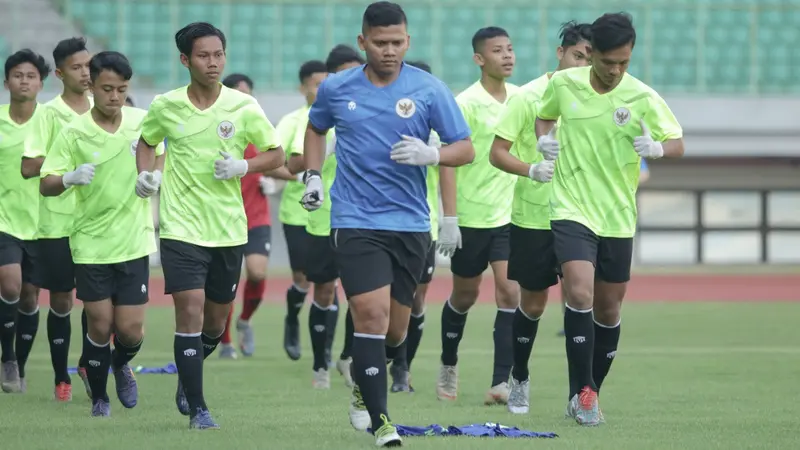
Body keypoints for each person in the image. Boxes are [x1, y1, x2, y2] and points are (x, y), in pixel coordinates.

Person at [300, 2, 474, 446]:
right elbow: (315, 129)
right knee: (371, 316)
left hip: (411, 224)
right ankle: (383, 423)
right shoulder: (338, 88)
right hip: (355, 220)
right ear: (363, 43)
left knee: (396, 330)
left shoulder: (430, 89)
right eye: (380, 43)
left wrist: (432, 154)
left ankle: (364, 386)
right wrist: (314, 176)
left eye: (397, 42)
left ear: (408, 41)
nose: (390, 50)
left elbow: (465, 148)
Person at [534, 12, 684, 426]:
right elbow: (544, 115)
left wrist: (656, 149)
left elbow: (678, 143)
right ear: (592, 54)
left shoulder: (642, 96)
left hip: (617, 215)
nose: (616, 70)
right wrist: (544, 140)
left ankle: (587, 391)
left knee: (609, 309)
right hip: (570, 206)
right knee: (578, 293)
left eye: (624, 62)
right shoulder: (564, 85)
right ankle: (584, 394)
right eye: (607, 62)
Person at [134, 21, 285, 429]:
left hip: (229, 229)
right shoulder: (166, 105)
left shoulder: (243, 106)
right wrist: (144, 175)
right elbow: (148, 141)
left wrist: (244, 164)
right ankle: (199, 408)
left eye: (218, 54)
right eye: (204, 55)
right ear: (185, 60)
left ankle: (190, 371)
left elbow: (277, 153)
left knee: (216, 324)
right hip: (181, 228)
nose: (213, 62)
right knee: (190, 311)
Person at [39, 51, 161, 417]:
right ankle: (99, 399)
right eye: (107, 88)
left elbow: (159, 155)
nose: (114, 97)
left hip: (134, 239)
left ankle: (121, 363)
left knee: (130, 331)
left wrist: (152, 178)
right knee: (100, 324)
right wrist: (69, 178)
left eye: (122, 89)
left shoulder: (142, 122)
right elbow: (46, 183)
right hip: (91, 243)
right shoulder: (73, 131)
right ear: (92, 85)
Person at [488, 21, 591, 414]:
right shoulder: (528, 96)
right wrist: (530, 169)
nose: (582, 65)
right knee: (532, 305)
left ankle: (581, 394)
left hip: (581, 215)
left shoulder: (595, 98)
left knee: (582, 299)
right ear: (560, 53)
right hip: (533, 217)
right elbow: (498, 152)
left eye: (589, 59)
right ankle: (520, 376)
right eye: (577, 56)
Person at [437, 26, 519, 405]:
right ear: (479, 59)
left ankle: (502, 381)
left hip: (509, 215)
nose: (507, 56)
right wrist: (449, 218)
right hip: (470, 217)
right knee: (465, 296)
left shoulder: (522, 99)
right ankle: (448, 364)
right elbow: (449, 163)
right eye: (498, 50)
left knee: (509, 290)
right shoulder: (464, 102)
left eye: (510, 49)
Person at [20, 36, 93, 402]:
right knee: (63, 300)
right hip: (58, 222)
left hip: (99, 222)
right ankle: (60, 375)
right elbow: (29, 165)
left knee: (97, 300)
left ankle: (88, 363)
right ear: (61, 73)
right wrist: (64, 166)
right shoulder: (47, 113)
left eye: (88, 65)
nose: (86, 72)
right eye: (77, 67)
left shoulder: (106, 108)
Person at [285, 47, 360, 389]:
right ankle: (320, 366)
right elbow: (294, 163)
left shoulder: (372, 108)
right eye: (344, 73)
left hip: (361, 217)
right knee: (325, 291)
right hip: (323, 218)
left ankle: (348, 357)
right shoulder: (313, 117)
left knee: (362, 293)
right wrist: (316, 162)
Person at [217, 73, 293, 359]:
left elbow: (282, 168)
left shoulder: (259, 133)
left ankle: (245, 320)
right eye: (238, 94)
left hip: (256, 218)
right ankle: (225, 342)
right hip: (223, 219)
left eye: (248, 95)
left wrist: (276, 184)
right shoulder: (217, 134)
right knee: (226, 284)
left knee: (258, 273)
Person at [388, 59, 446, 394]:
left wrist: (450, 218)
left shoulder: (436, 126)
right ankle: (375, 359)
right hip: (383, 224)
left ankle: (402, 368)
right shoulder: (387, 119)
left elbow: (450, 169)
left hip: (425, 227)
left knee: (417, 300)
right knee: (386, 299)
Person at [0, 49, 50, 395]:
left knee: (31, 298)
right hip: (4, 219)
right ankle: (7, 358)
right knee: (10, 285)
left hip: (43, 222)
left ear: (41, 83)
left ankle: (20, 360)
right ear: (6, 82)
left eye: (31, 76)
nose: (24, 81)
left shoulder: (51, 120)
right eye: (18, 75)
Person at [277, 60, 332, 362]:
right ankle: (291, 320)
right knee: (302, 279)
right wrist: (302, 175)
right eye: (316, 84)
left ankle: (324, 355)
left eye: (327, 83)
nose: (322, 89)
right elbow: (273, 162)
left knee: (330, 284)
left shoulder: (342, 117)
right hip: (298, 213)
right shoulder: (292, 121)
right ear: (303, 88)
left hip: (332, 213)